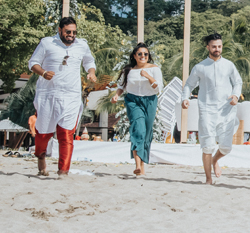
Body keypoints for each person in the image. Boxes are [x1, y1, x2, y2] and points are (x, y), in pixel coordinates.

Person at [28, 17, 97, 177]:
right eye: (68, 32)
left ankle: (63, 171)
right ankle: (41, 158)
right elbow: (33, 63)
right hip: (48, 95)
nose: (71, 35)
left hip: (71, 96)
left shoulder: (82, 44)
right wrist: (43, 73)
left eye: (74, 32)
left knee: (66, 134)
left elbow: (89, 60)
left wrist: (91, 72)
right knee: (43, 134)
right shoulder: (47, 43)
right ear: (59, 30)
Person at [182, 33, 243, 184]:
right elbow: (189, 84)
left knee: (226, 147)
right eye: (214, 46)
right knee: (207, 145)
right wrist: (185, 98)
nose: (217, 49)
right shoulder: (200, 67)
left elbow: (238, 82)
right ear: (208, 47)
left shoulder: (229, 65)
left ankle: (215, 160)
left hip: (226, 109)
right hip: (207, 109)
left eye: (219, 46)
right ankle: (208, 179)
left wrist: (235, 95)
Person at [111, 43, 163, 177]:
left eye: (145, 54)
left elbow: (158, 87)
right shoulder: (128, 70)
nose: (143, 56)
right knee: (138, 130)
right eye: (139, 54)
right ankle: (137, 165)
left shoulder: (154, 69)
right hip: (133, 101)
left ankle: (142, 167)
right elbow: (121, 85)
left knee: (146, 134)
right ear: (134, 56)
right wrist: (117, 95)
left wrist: (148, 76)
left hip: (150, 100)